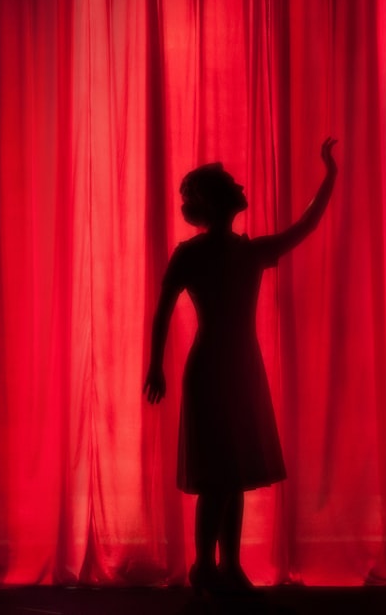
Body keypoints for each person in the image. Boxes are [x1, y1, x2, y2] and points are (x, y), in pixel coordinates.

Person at [144, 138, 339, 594]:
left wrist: (329, 174)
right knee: (218, 475)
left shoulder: (245, 250)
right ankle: (205, 567)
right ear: (214, 200)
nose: (239, 185)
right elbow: (162, 311)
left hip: (239, 367)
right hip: (213, 369)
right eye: (230, 183)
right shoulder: (196, 254)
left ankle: (226, 565)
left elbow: (307, 226)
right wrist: (155, 365)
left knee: (232, 476)